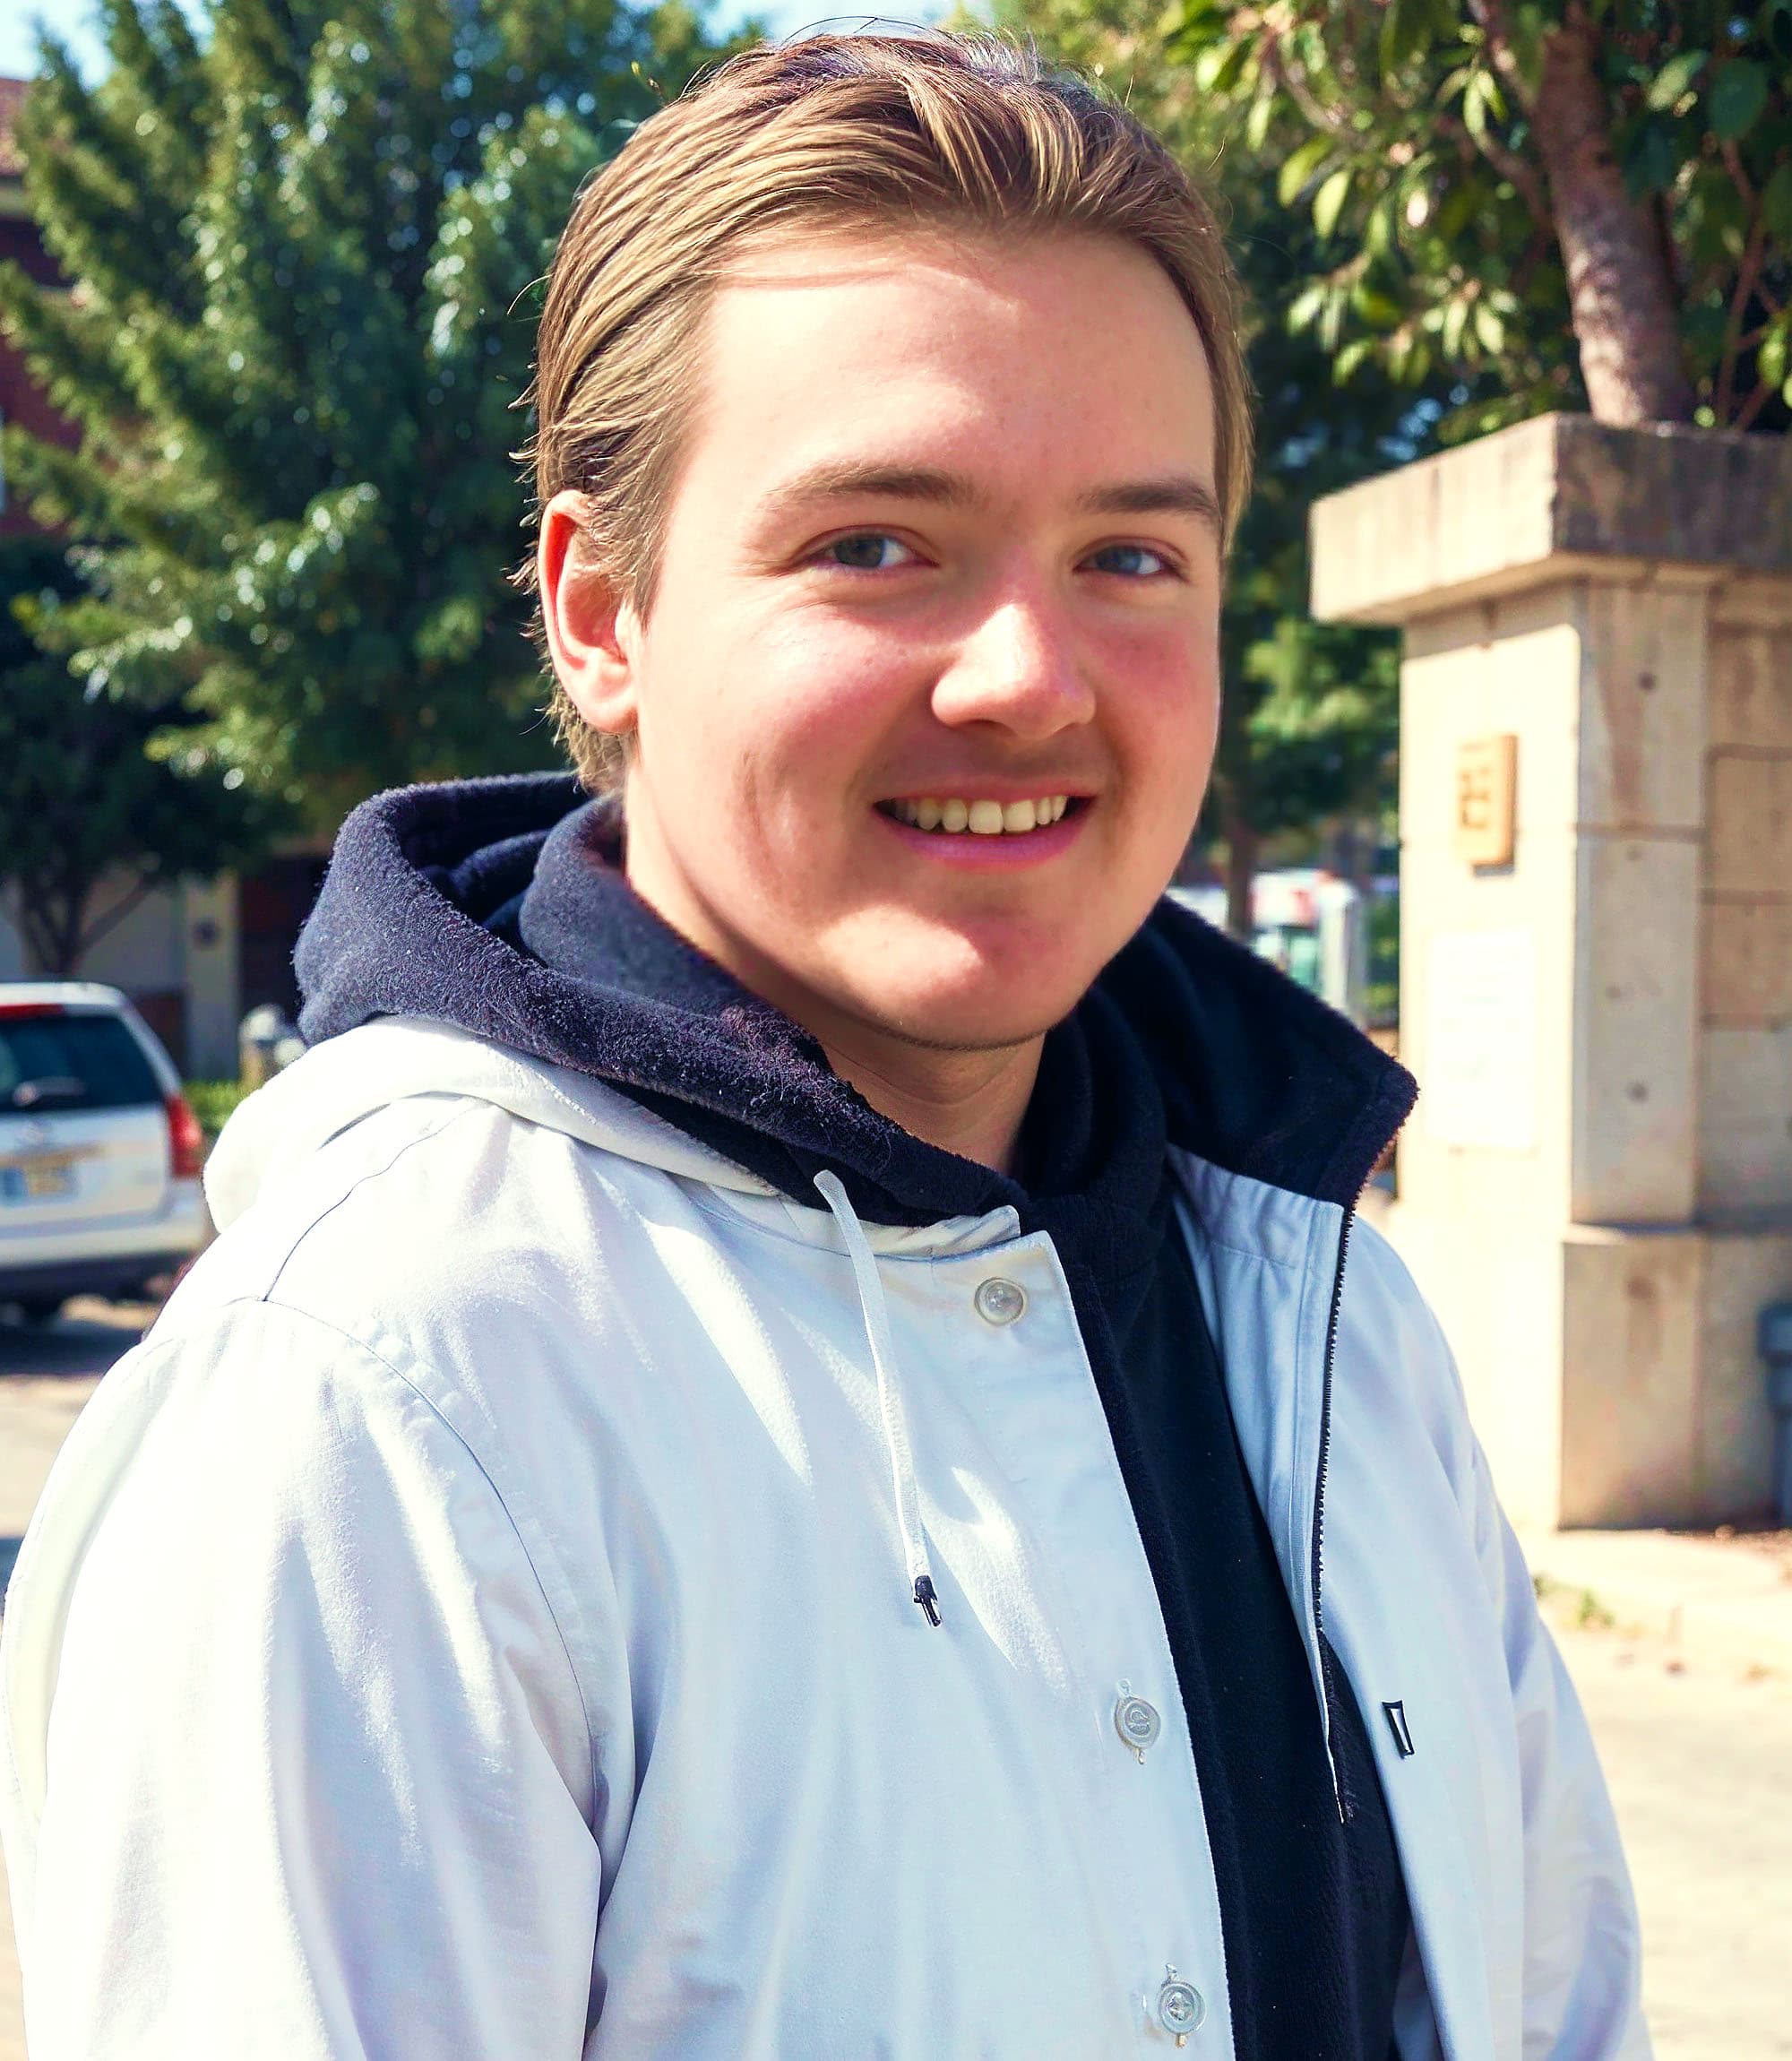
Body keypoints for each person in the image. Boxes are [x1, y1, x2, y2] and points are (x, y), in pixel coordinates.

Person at [0, 33, 1647, 2060]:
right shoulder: (392, 1397)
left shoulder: (1333, 1322)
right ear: (602, 610)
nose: (1032, 676)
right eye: (877, 542)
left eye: (1130, 554)